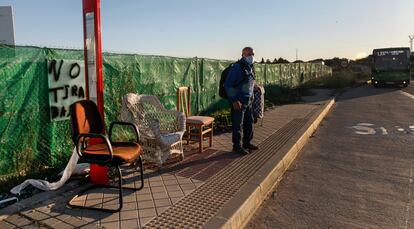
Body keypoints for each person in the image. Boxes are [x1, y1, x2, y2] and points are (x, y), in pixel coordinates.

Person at [224, 47, 259, 155]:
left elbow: (250, 83)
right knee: (237, 125)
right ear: (243, 55)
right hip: (239, 101)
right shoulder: (237, 67)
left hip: (248, 100)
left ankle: (247, 143)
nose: (251, 56)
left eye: (253, 54)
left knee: (249, 123)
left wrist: (252, 95)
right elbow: (228, 85)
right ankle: (237, 146)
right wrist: (234, 100)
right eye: (249, 54)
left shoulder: (250, 67)